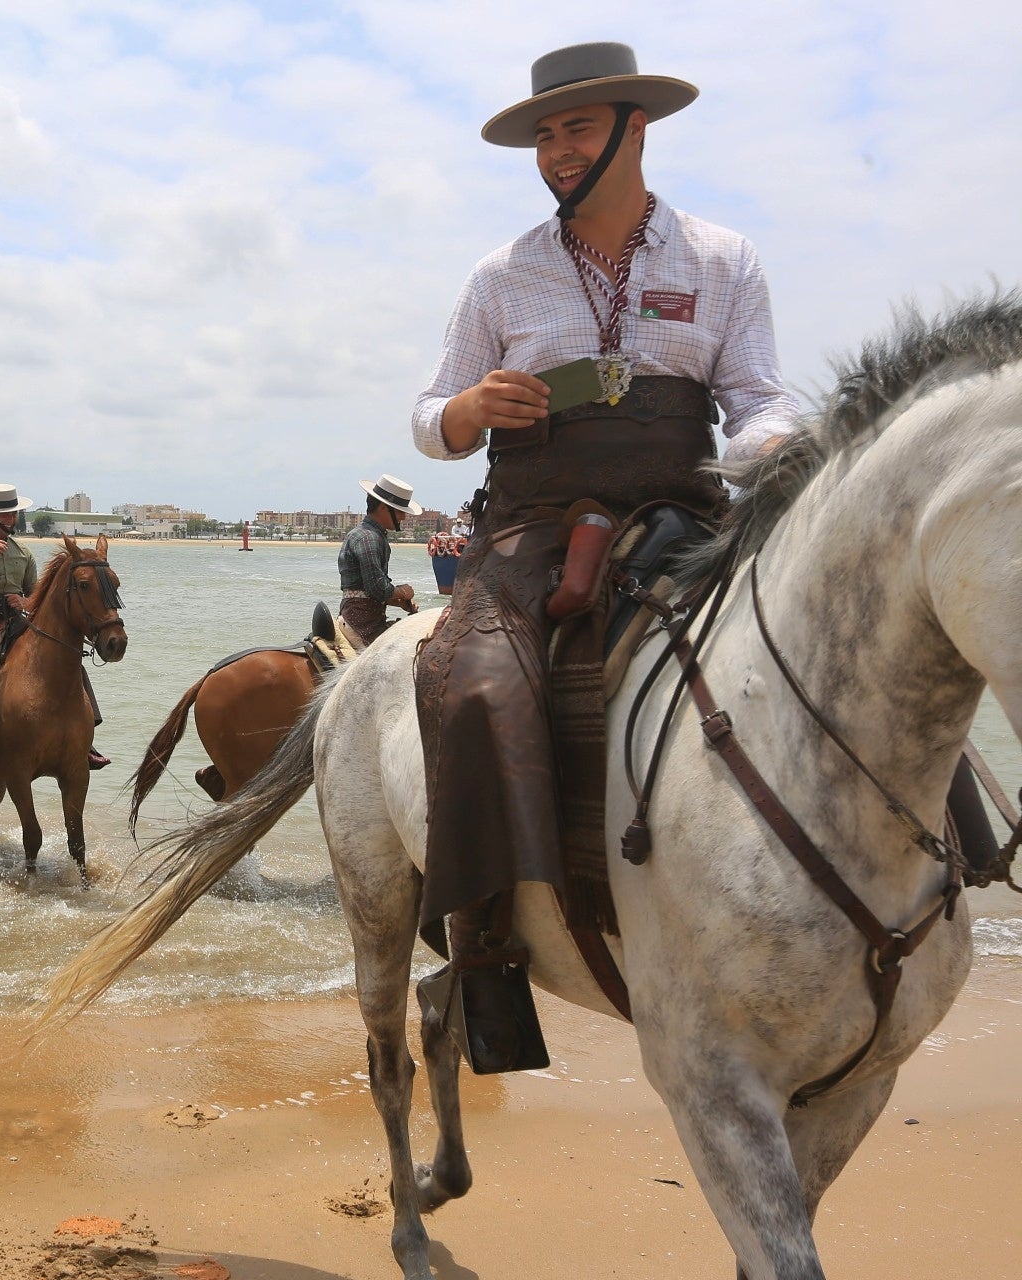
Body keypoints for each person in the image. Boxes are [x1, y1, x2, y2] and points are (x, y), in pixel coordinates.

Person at [408, 43, 799, 1071]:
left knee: (818, 638)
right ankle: (483, 941)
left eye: (577, 127)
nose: (555, 150)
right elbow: (425, 419)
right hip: (532, 518)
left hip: (682, 505)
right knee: (474, 679)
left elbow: (758, 400)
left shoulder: (724, 257)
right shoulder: (501, 273)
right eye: (544, 133)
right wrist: (469, 407)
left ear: (637, 126)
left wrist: (773, 447)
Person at [0, 483, 110, 771]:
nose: (8, 520)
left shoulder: (23, 553)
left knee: (65, 660)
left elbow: (35, 597)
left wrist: (24, 601)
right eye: (2, 516)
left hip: (15, 620)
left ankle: (85, 738)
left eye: (12, 514)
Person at [337, 475, 419, 645]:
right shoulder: (369, 538)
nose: (403, 517)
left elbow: (365, 590)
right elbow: (377, 588)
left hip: (358, 616)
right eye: (399, 511)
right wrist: (404, 592)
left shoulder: (366, 534)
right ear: (383, 508)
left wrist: (397, 602)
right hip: (364, 624)